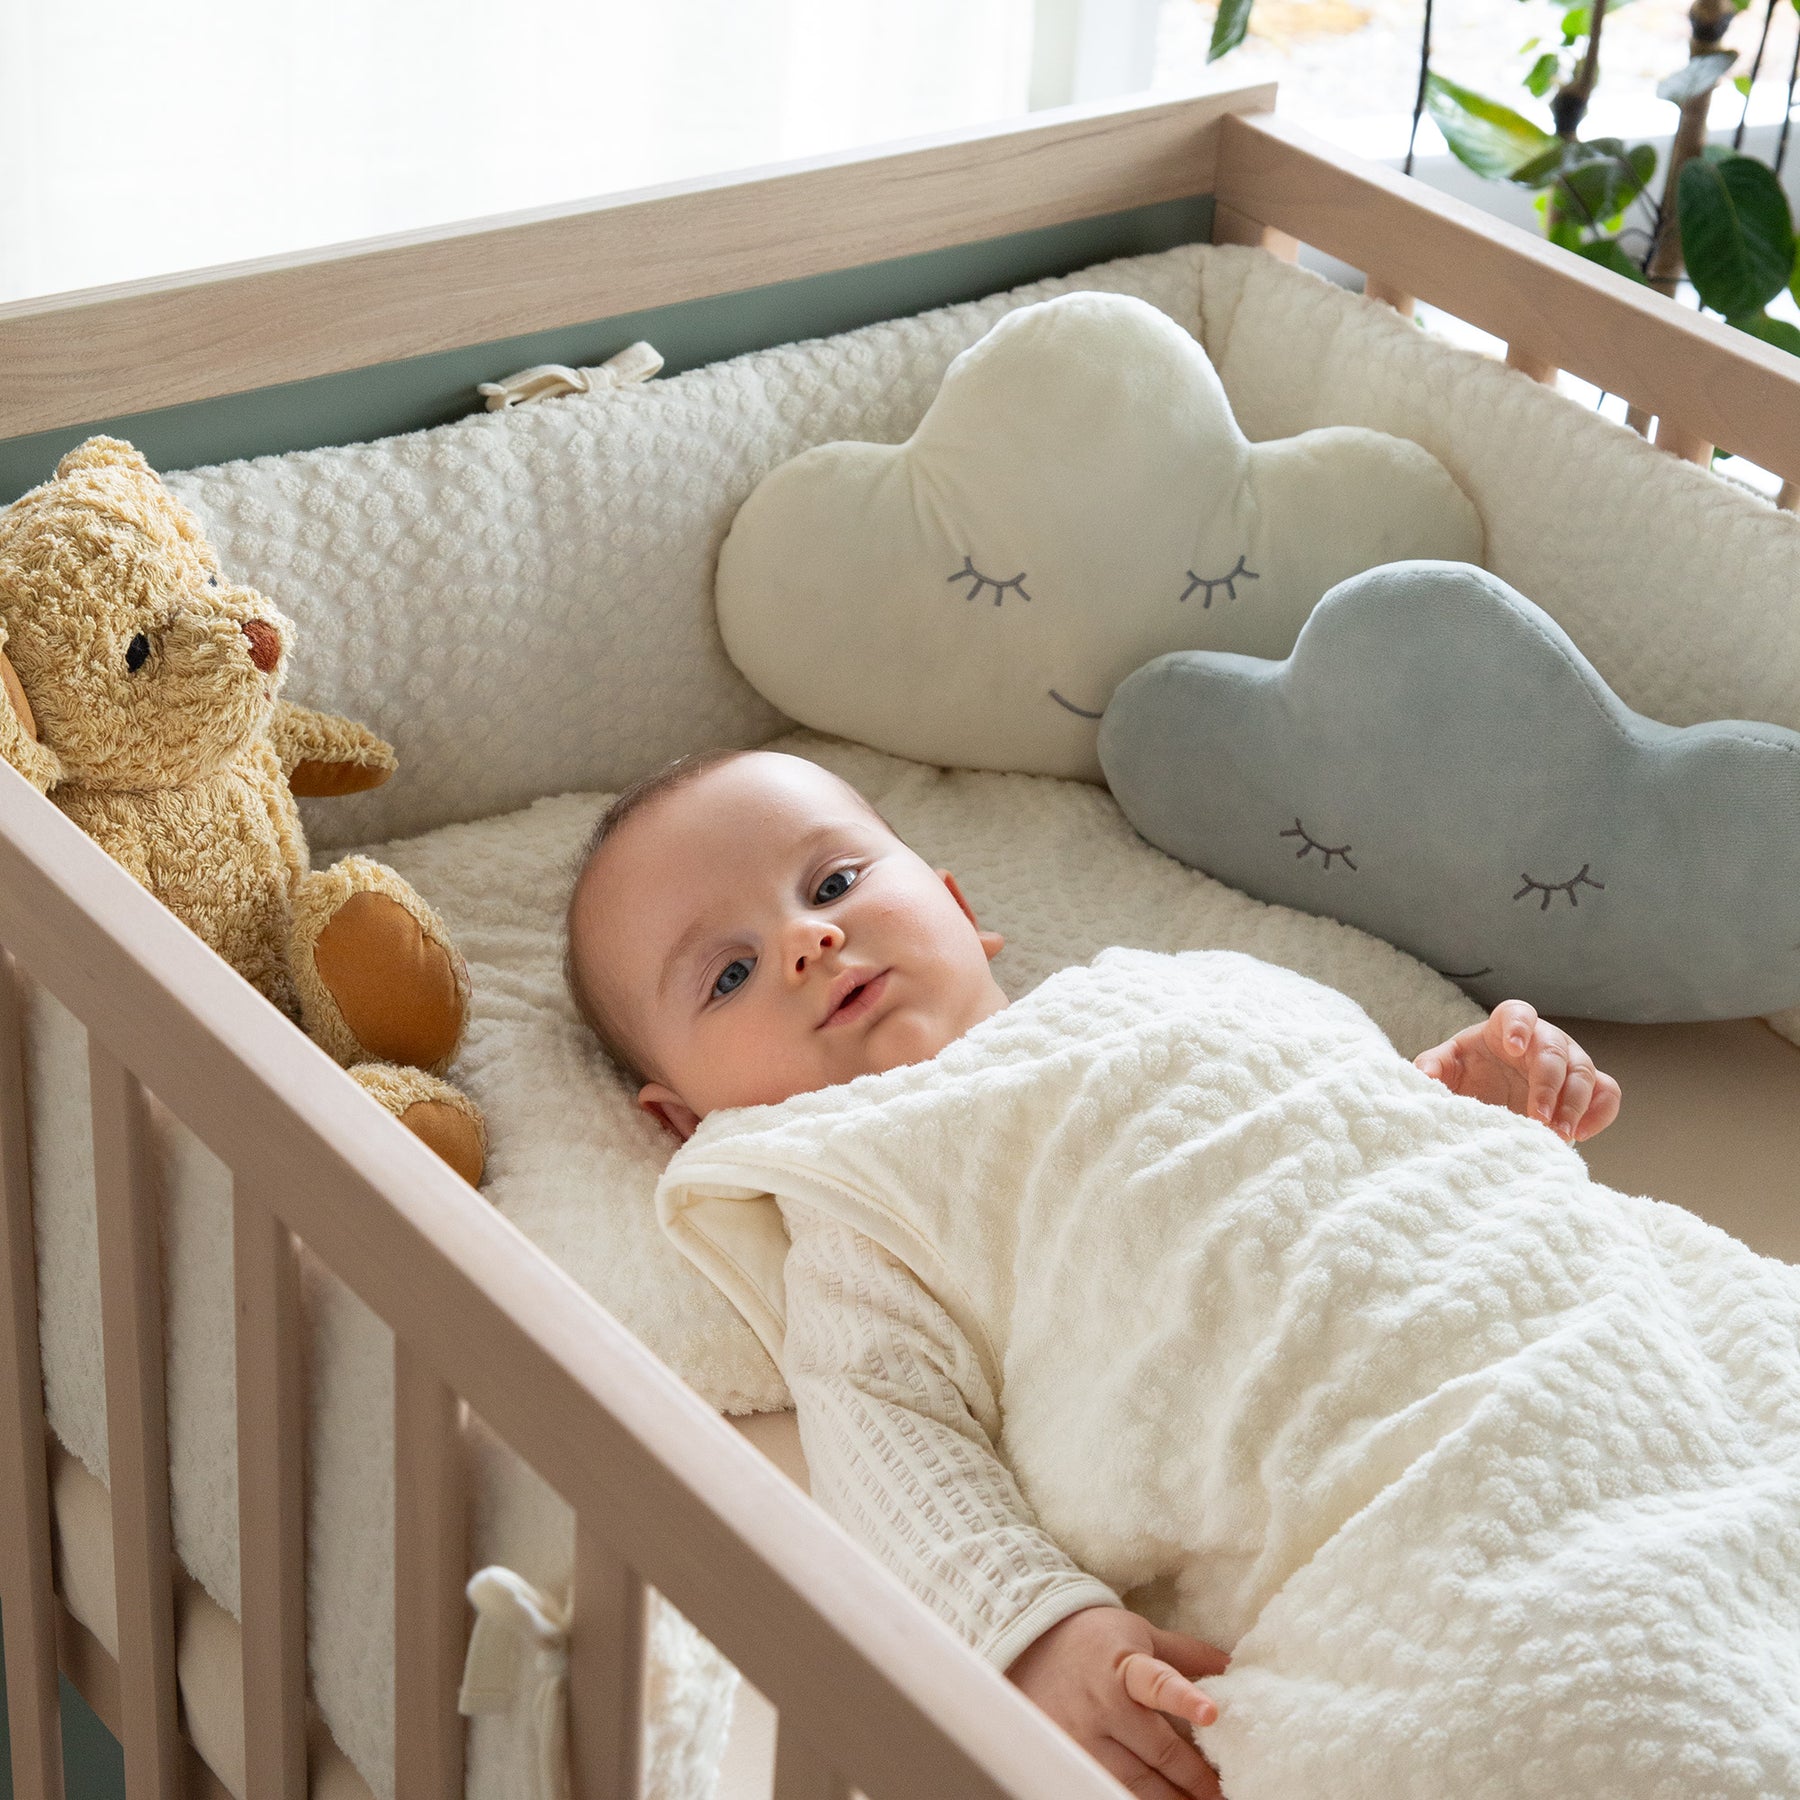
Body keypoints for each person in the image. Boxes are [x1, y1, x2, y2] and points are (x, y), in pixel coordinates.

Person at [566, 747, 1626, 1800]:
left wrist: (1457, 1106)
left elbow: (1323, 1130)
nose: (809, 941)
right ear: (687, 1120)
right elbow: (886, 1449)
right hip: (1351, 1492)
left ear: (958, 909)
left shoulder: (1169, 987)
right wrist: (1034, 1633)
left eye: (834, 883)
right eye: (730, 974)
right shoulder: (858, 1206)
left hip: (1555, 1342)